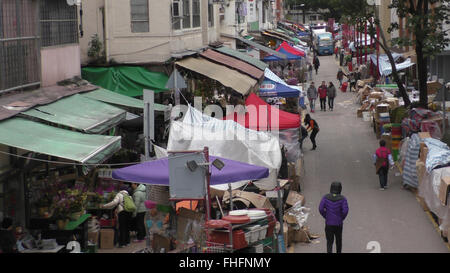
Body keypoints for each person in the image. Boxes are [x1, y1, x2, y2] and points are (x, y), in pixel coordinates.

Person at [319, 182, 349, 253]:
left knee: (329, 242)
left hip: (329, 224)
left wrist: (326, 216)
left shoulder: (325, 197)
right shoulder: (343, 199)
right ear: (340, 189)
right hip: (338, 224)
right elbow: (345, 211)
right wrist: (341, 218)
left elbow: (320, 209)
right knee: (338, 241)